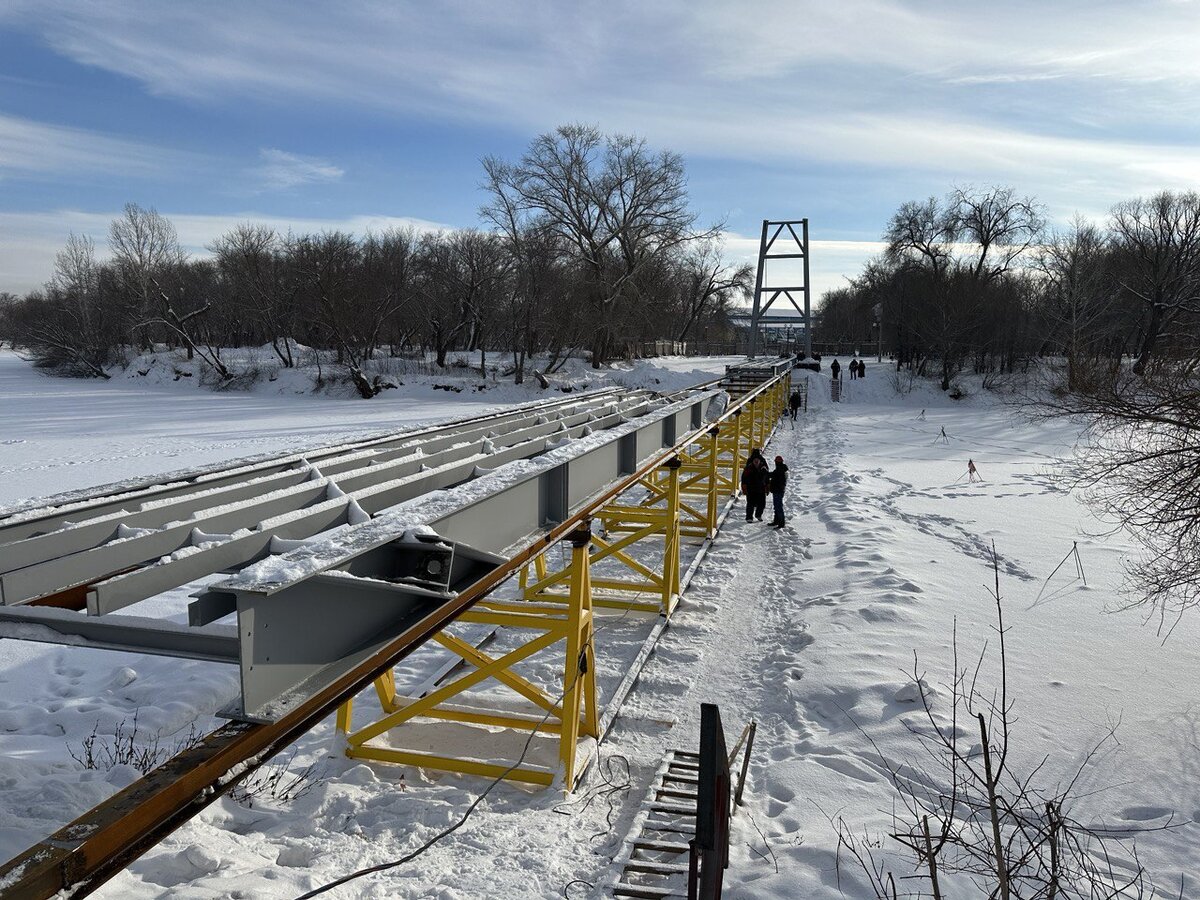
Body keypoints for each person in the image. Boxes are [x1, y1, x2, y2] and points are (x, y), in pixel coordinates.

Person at [740, 449, 769, 522]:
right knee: (750, 503)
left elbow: (767, 477)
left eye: (757, 460)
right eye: (755, 460)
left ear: (760, 461)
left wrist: (767, 486)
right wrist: (744, 488)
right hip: (751, 488)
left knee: (762, 504)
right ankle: (749, 517)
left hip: (761, 488)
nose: (756, 462)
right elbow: (744, 478)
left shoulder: (763, 468)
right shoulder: (748, 468)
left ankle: (758, 515)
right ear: (753, 461)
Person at [768, 455, 788, 528]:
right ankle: (776, 521)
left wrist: (766, 474)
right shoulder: (782, 469)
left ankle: (781, 523)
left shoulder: (780, 470)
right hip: (778, 490)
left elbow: (773, 475)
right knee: (777, 507)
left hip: (778, 491)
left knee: (778, 507)